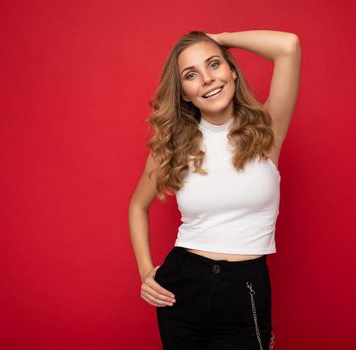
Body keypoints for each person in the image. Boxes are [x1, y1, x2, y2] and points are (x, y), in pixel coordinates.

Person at [128, 30, 301, 350]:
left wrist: (217, 38)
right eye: (192, 75)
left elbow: (288, 46)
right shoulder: (174, 145)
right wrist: (146, 272)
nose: (207, 79)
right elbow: (137, 206)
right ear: (183, 93)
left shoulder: (267, 131)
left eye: (214, 65)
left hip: (246, 286)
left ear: (232, 71)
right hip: (183, 284)